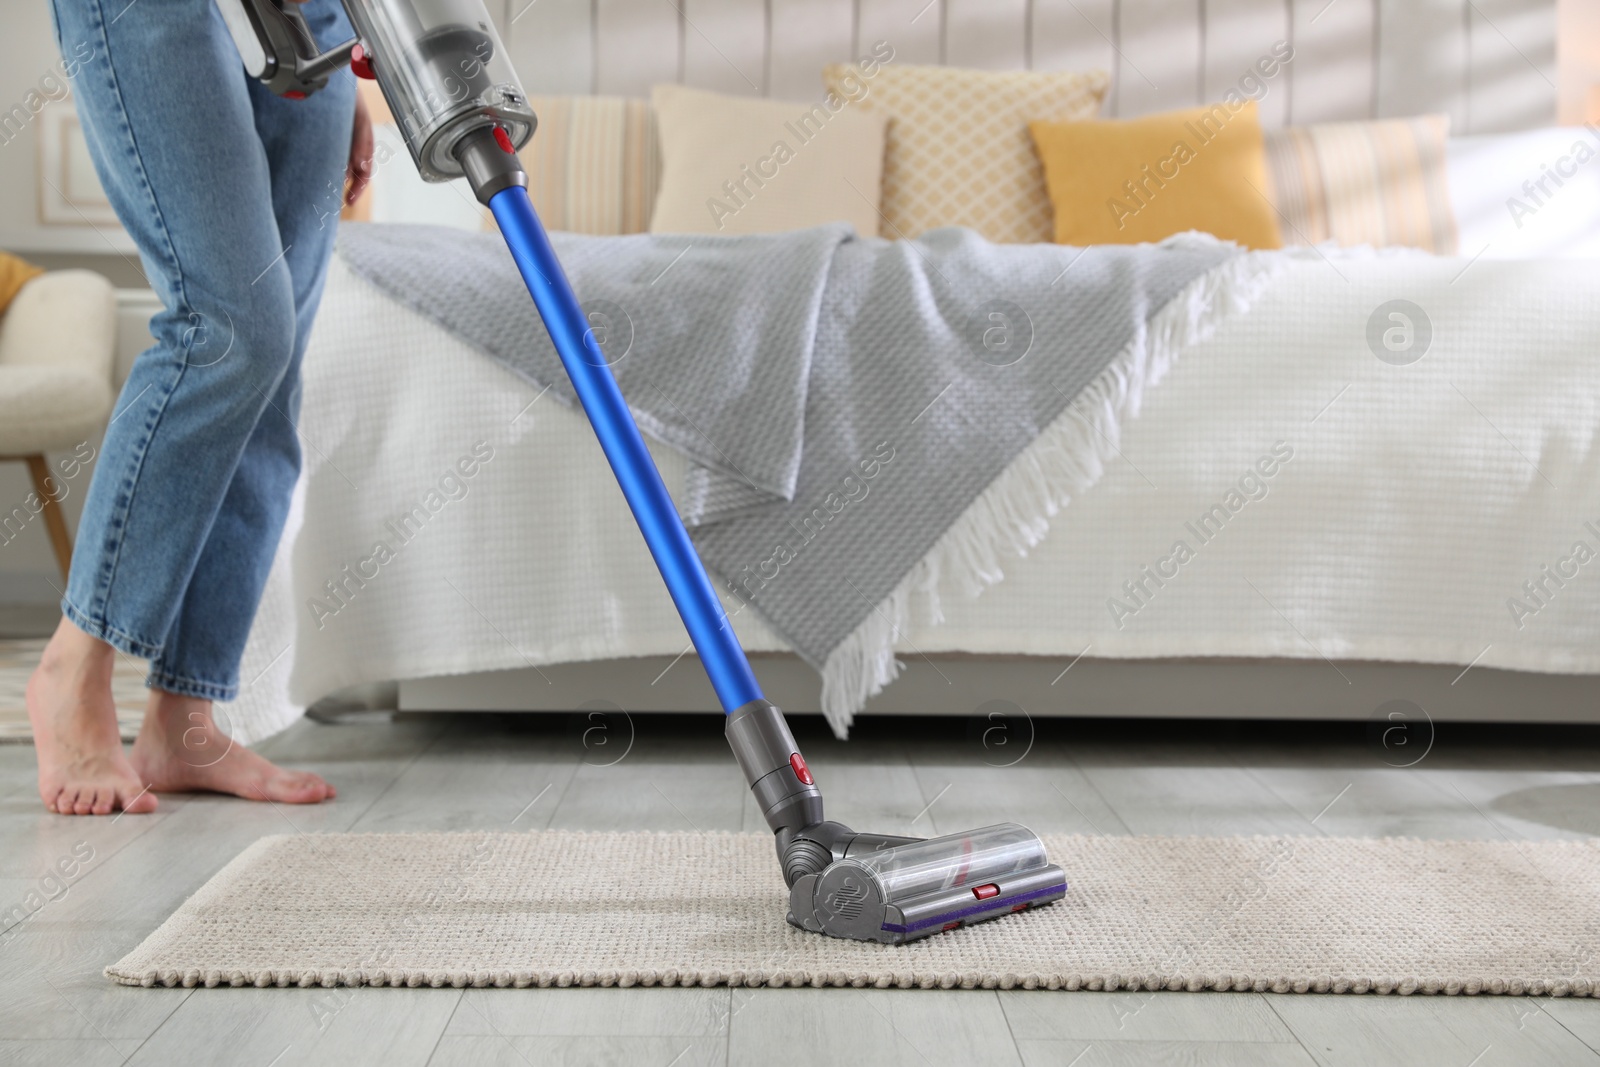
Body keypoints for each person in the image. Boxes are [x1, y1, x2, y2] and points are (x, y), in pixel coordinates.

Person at [28, 0, 372, 815]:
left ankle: (183, 718)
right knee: (229, 333)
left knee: (270, 371)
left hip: (313, 21)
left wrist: (353, 64)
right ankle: (74, 664)